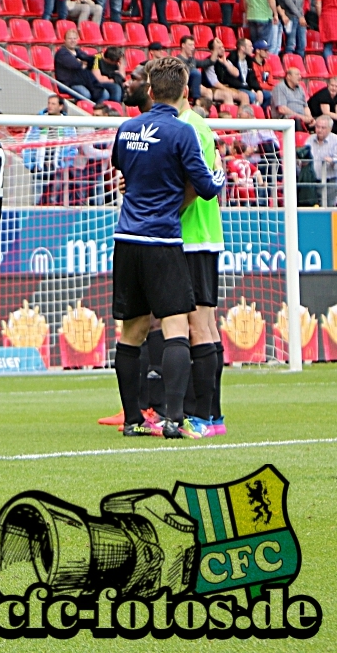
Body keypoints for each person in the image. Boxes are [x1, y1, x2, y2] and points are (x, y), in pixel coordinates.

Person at [109, 57, 223, 440]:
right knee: (176, 327)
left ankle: (131, 420)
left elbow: (124, 171)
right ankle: (174, 418)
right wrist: (217, 174)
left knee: (133, 331)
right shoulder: (182, 132)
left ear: (151, 91)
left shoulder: (126, 129)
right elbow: (206, 187)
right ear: (185, 92)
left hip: (126, 240)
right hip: (163, 240)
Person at [178, 98, 227, 438]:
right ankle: (214, 415)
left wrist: (164, 213)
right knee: (206, 325)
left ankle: (202, 417)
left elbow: (197, 186)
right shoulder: (201, 125)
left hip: (192, 235)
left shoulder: (188, 128)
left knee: (198, 326)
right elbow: (215, 171)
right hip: (205, 236)